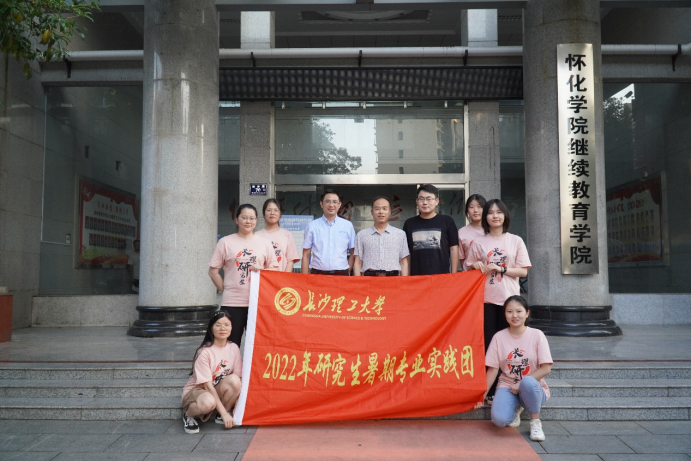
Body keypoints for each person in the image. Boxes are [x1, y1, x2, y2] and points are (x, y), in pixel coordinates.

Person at [465, 198, 531, 402]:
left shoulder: (515, 240)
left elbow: (523, 270)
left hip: (510, 302)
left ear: (505, 216)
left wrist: (500, 268)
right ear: (485, 217)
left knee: (511, 344)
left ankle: (514, 385)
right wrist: (475, 265)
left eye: (499, 212)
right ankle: (491, 388)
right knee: (488, 344)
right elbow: (468, 268)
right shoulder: (479, 242)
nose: (495, 216)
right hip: (485, 300)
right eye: (491, 212)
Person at [474, 296, 552, 442]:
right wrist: (482, 395)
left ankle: (535, 422)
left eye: (518, 311)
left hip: (533, 387)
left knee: (527, 382)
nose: (514, 315)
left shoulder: (537, 335)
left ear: (527, 313)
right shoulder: (499, 337)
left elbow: (546, 368)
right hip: (507, 386)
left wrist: (521, 383)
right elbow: (492, 370)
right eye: (509, 311)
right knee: (499, 420)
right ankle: (516, 407)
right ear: (505, 314)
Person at [209, 204, 279, 347]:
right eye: (244, 217)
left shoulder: (264, 243)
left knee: (258, 345)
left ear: (256, 220)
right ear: (237, 219)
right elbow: (213, 271)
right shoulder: (225, 242)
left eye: (252, 218)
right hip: (232, 303)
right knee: (231, 343)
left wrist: (262, 269)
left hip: (258, 302)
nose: (248, 221)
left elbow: (275, 269)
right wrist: (225, 290)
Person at [181, 310, 243, 434]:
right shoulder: (205, 352)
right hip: (198, 391)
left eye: (226, 324)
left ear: (231, 328)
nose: (222, 328)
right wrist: (225, 414)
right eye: (218, 325)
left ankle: (220, 415)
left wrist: (236, 409)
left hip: (217, 390)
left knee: (235, 380)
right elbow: (207, 386)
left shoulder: (234, 348)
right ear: (211, 328)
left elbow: (239, 379)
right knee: (208, 402)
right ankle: (188, 415)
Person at [402, 184, 459, 275]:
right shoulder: (409, 223)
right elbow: (407, 253)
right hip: (416, 277)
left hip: (441, 276)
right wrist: (407, 277)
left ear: (437, 201)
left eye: (429, 199)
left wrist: (454, 275)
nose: (425, 202)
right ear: (417, 201)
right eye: (421, 199)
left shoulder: (447, 221)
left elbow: (454, 249)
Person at [301, 189, 355, 275]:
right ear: (321, 204)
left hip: (341, 274)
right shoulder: (312, 226)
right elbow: (306, 255)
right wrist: (305, 278)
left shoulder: (347, 225)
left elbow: (353, 252)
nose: (331, 205)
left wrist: (347, 271)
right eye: (327, 201)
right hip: (318, 274)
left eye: (334, 202)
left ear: (339, 205)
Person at [353, 196, 410, 277]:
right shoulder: (362, 235)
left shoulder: (400, 234)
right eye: (377, 209)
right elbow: (358, 263)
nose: (381, 212)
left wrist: (404, 282)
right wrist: (358, 282)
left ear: (389, 212)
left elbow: (403, 262)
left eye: (384, 209)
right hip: (369, 280)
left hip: (393, 279)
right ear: (372, 212)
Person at [256, 198, 300, 273]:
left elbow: (290, 260)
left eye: (276, 210)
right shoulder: (256, 236)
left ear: (280, 213)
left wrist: (285, 277)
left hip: (281, 277)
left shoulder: (287, 235)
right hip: (262, 278)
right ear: (264, 213)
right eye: (269, 210)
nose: (272, 213)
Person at [457, 194, 486, 272]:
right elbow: (462, 260)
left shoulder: (491, 230)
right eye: (471, 207)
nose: (475, 210)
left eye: (479, 206)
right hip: (471, 275)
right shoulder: (462, 232)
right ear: (467, 210)